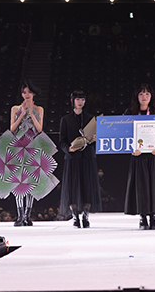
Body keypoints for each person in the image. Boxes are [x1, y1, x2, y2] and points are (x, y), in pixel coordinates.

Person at [0, 80, 59, 227]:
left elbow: (39, 129)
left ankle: (27, 215)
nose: (26, 95)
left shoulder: (39, 109)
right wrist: (22, 114)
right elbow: (12, 128)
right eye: (24, 92)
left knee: (31, 181)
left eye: (29, 92)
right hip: (17, 146)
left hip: (33, 146)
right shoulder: (15, 108)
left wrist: (31, 113)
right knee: (17, 181)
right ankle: (19, 216)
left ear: (33, 94)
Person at [124, 83, 155, 230]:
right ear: (136, 96)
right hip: (138, 157)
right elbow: (124, 134)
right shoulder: (130, 112)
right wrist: (131, 149)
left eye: (147, 94)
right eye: (141, 94)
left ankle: (153, 217)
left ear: (151, 96)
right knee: (141, 188)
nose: (144, 97)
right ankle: (143, 217)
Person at [59, 90, 102, 228]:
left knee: (87, 186)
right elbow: (62, 141)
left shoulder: (90, 118)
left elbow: (96, 139)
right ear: (72, 101)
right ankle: (75, 217)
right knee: (72, 187)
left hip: (87, 157)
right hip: (72, 158)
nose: (80, 101)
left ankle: (86, 216)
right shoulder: (65, 119)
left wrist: (95, 139)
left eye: (82, 99)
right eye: (78, 99)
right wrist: (69, 149)